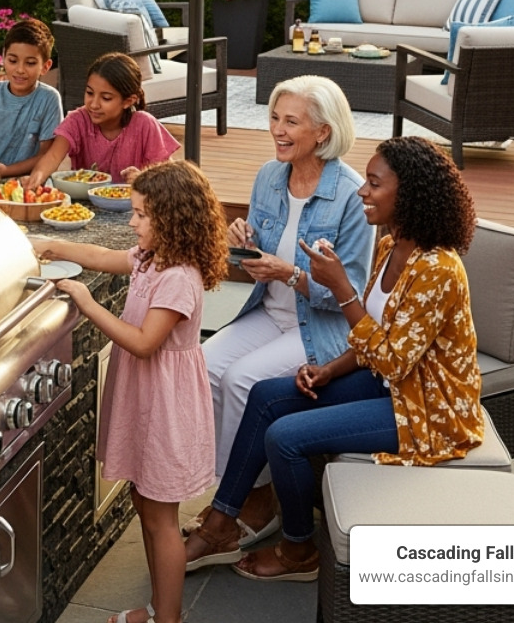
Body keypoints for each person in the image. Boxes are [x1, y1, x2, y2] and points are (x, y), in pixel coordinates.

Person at [184, 137, 482, 583]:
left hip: (424, 409)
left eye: (375, 183)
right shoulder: (391, 246)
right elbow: (373, 339)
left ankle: (299, 549)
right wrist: (329, 369)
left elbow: (393, 361)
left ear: (409, 195)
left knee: (284, 437)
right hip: (384, 384)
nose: (362, 190)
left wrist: (342, 288)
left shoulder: (437, 269)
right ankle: (222, 521)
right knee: (265, 397)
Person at [33, 161, 229, 623]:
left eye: (141, 214)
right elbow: (101, 256)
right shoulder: (151, 257)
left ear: (172, 219)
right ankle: (160, 608)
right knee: (144, 503)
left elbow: (144, 343)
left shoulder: (178, 277)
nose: (132, 223)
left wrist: (87, 302)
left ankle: (169, 618)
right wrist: (48, 245)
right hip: (146, 399)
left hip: (165, 406)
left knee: (161, 518)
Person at [185, 76, 373, 553]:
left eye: (291, 121)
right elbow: (258, 261)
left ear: (323, 132)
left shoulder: (352, 196)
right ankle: (233, 493)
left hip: (322, 329)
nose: (277, 130)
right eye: (274, 118)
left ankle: (249, 503)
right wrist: (244, 242)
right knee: (203, 365)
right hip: (268, 312)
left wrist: (290, 274)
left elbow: (348, 294)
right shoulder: (270, 176)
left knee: (242, 380)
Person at [25, 52, 178, 189]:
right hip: (84, 205)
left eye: (106, 98)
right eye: (89, 93)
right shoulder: (78, 120)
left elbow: (168, 176)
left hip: (135, 206)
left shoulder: (144, 124)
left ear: (128, 101)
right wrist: (36, 178)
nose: (94, 104)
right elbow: (53, 156)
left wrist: (143, 179)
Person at [0, 17, 63, 179]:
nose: (20, 70)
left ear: (45, 66)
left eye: (30, 63)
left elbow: (46, 155)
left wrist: (6, 171)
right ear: (3, 57)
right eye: (13, 60)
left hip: (25, 181)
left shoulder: (49, 99)